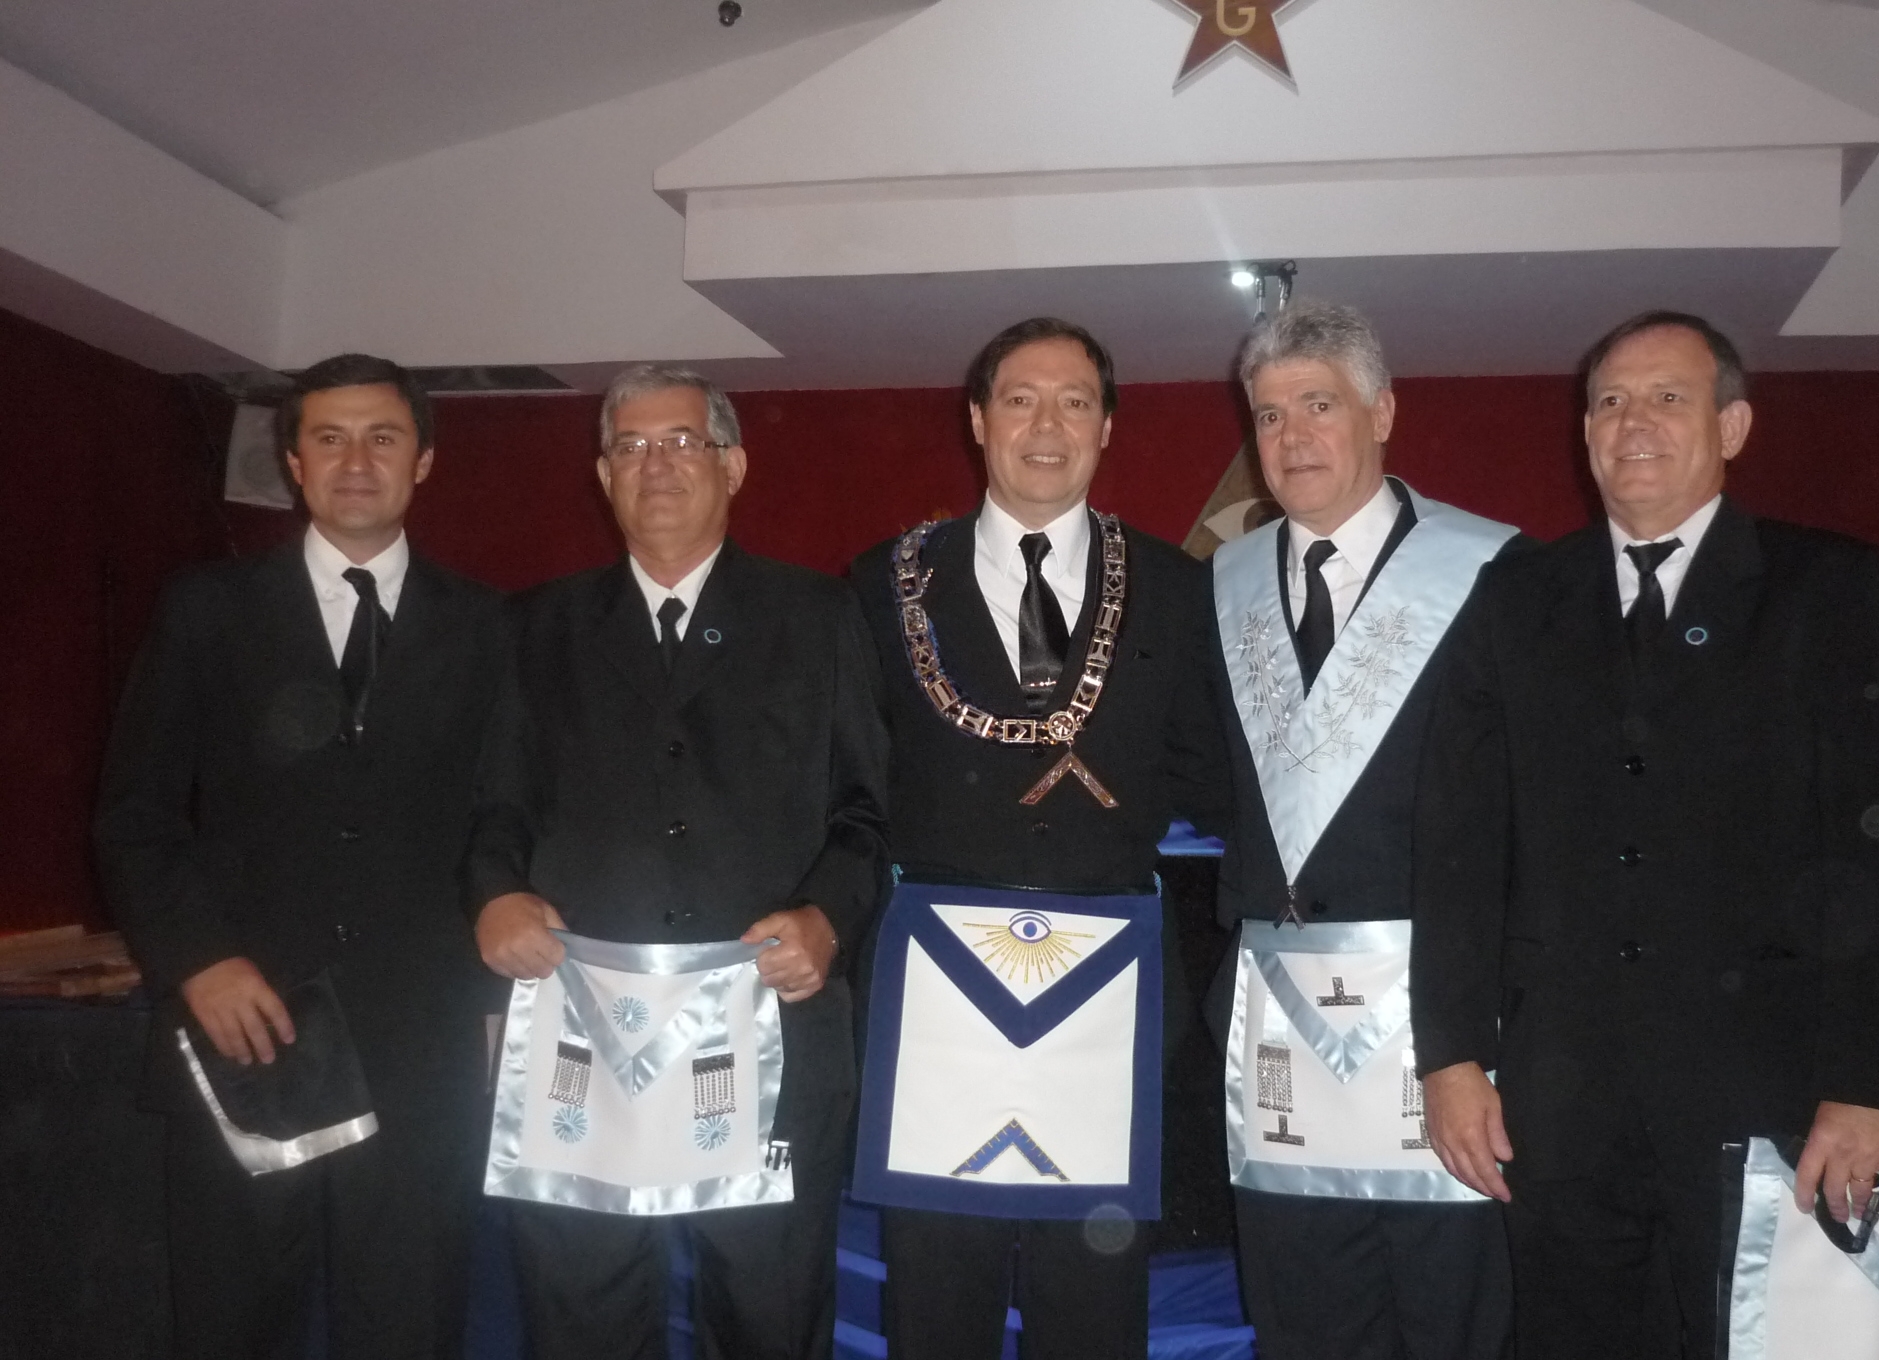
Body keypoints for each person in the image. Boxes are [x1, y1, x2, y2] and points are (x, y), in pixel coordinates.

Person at [1412, 311, 1879, 1358]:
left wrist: (1869, 1086)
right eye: (1608, 402)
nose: (1633, 422)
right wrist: (1452, 1054)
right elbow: (1460, 837)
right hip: (1561, 1101)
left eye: (1667, 397)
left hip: (1772, 1090)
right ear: (1584, 433)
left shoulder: (1829, 589)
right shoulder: (1516, 597)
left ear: (1731, 426)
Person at [464, 363, 888, 1360]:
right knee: (581, 1316)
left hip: (770, 1028)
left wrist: (827, 917)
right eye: (630, 447)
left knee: (769, 1316)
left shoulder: (820, 617)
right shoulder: (531, 627)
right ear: (602, 475)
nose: (655, 465)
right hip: (581, 1037)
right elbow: (492, 809)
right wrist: (494, 894)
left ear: (732, 466)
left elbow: (867, 814)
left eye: (682, 442)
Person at [96, 353, 509, 1359]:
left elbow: (504, 822)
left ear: (423, 462)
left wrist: (499, 997)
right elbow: (135, 813)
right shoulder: (207, 609)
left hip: (421, 1040)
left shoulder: (490, 627)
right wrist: (198, 959)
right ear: (293, 462)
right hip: (247, 1026)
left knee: (409, 1323)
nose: (355, 461)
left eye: (382, 438)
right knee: (233, 1323)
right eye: (329, 438)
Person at [846, 317, 1230, 1360]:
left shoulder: (1179, 587)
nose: (1046, 425)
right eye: (1020, 399)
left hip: (1109, 991)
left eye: (1074, 402)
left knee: (1093, 1300)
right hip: (936, 994)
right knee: (937, 1292)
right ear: (977, 421)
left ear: (1106, 428)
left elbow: (1210, 772)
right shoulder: (883, 583)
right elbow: (851, 782)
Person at [1206, 300, 1519, 1359]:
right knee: (1304, 1324)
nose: (1291, 437)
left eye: (1319, 406)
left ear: (1381, 413)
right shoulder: (1220, 587)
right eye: (1268, 415)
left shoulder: (1497, 576)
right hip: (1280, 1030)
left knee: (1457, 1319)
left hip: (1446, 1025)